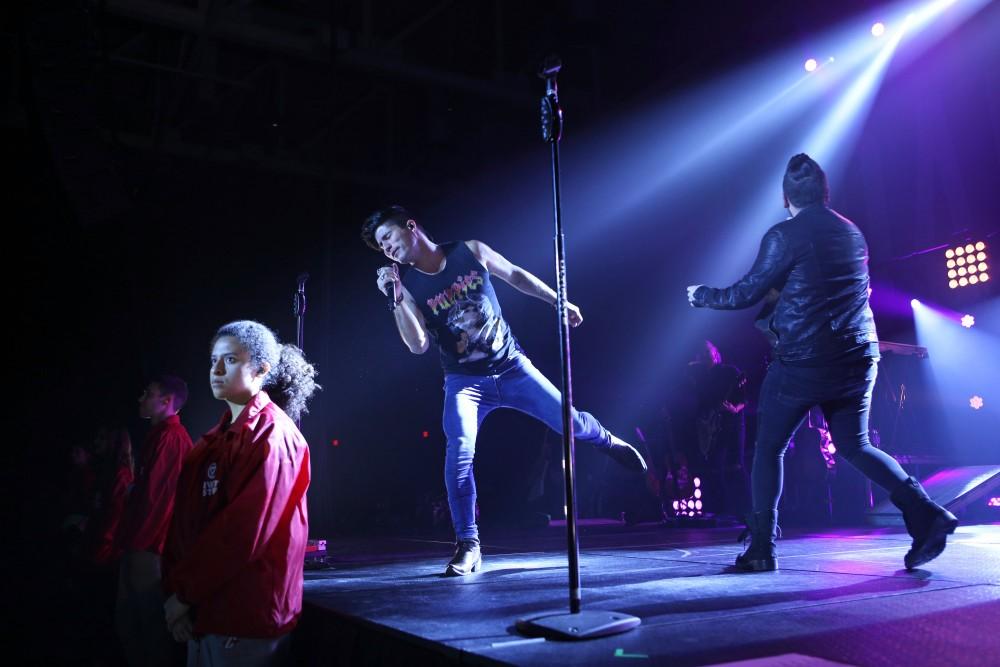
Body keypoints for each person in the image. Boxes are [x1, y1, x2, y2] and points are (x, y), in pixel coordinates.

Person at [686, 153, 957, 571]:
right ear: (825, 194)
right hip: (857, 357)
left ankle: (761, 548)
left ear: (784, 197)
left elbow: (743, 293)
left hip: (804, 362)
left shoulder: (783, 235)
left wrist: (702, 294)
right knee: (855, 444)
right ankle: (926, 512)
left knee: (768, 450)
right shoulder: (852, 233)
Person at [362, 205, 647, 576]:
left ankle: (608, 440)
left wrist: (558, 300)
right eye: (381, 247)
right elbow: (417, 345)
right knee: (459, 454)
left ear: (410, 227)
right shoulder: (409, 286)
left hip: (513, 368)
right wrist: (396, 297)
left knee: (570, 424)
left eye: (388, 238)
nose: (387, 248)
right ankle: (469, 544)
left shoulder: (470, 251)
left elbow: (515, 275)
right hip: (465, 383)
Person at [162, 321, 319, 666]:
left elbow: (243, 531)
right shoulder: (209, 443)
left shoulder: (275, 437)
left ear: (262, 368)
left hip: (245, 619)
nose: (216, 370)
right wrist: (178, 596)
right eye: (213, 360)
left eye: (230, 360)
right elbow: (183, 529)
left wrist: (185, 595)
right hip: (202, 613)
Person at [116, 375, 194, 666]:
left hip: (148, 546)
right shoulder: (158, 436)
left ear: (166, 401)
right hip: (138, 543)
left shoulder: (171, 439)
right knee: (129, 623)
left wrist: (140, 546)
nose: (141, 398)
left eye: (147, 393)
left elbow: (158, 501)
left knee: (148, 628)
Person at [677, 340, 747, 517]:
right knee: (713, 467)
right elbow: (699, 404)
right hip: (712, 428)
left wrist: (734, 408)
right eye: (702, 352)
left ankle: (745, 509)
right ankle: (719, 510)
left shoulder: (730, 372)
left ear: (716, 353)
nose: (706, 355)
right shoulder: (699, 378)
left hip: (732, 424)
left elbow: (745, 397)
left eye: (709, 351)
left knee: (736, 465)